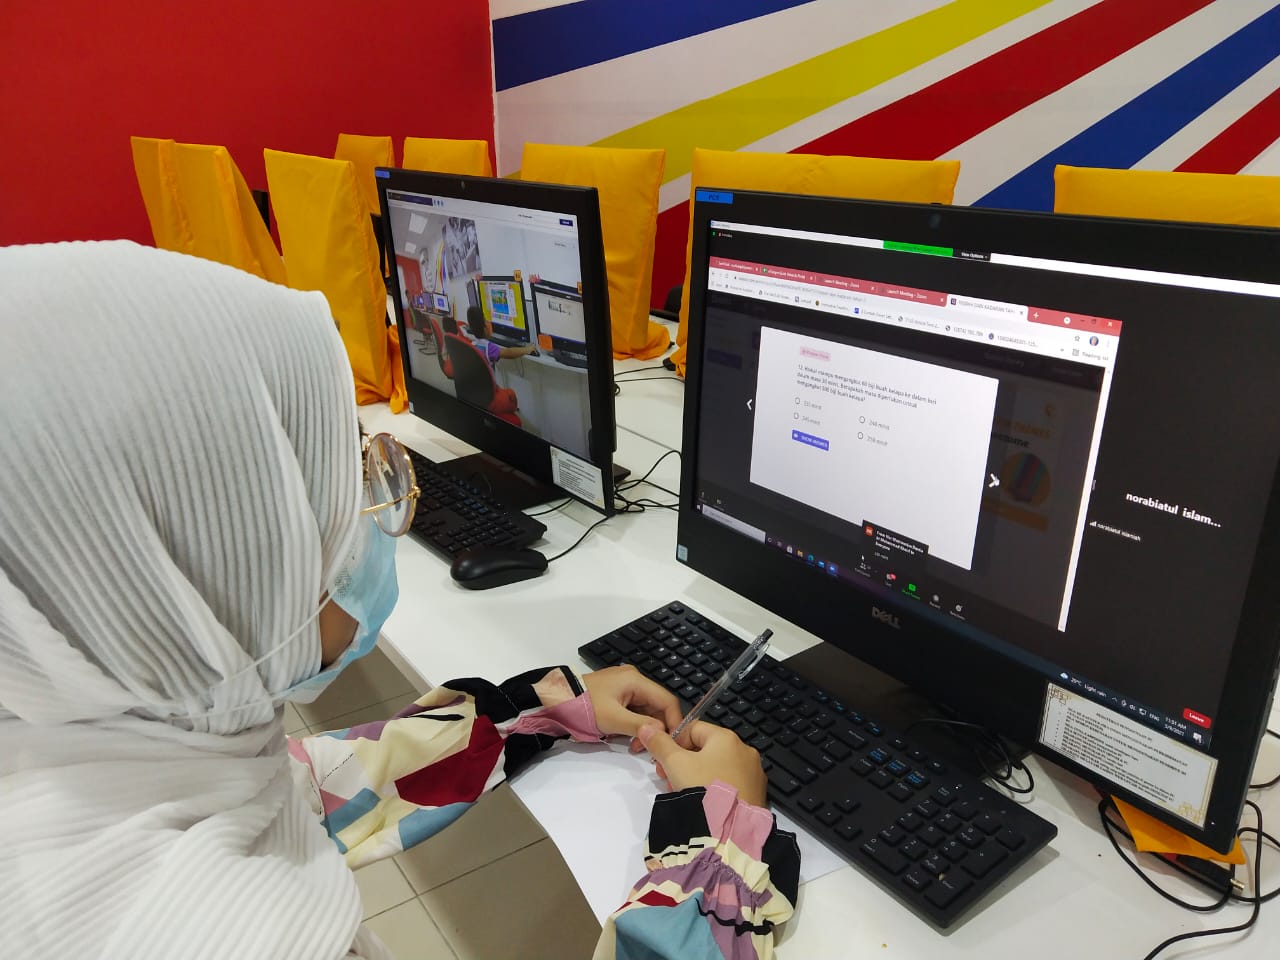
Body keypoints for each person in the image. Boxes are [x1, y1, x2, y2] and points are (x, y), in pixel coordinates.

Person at [0, 241, 799, 959]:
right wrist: (718, 855)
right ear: (206, 556)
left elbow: (302, 786)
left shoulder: (84, 754)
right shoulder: (227, 932)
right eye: (331, 479)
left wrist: (537, 710)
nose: (373, 512)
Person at [466, 303, 538, 365]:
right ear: (484, 328)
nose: (488, 322)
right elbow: (509, 353)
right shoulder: (488, 348)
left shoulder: (473, 345)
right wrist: (527, 349)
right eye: (486, 320)